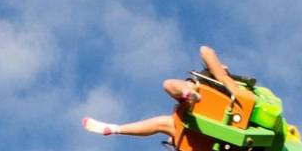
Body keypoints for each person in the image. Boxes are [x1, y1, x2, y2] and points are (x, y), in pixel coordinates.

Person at [80, 44, 243, 140]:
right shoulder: (210, 77)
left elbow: (206, 51)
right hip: (195, 122)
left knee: (169, 84)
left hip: (209, 107)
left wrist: (221, 72)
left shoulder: (230, 85)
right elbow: (206, 52)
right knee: (160, 123)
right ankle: (114, 129)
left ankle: (190, 94)